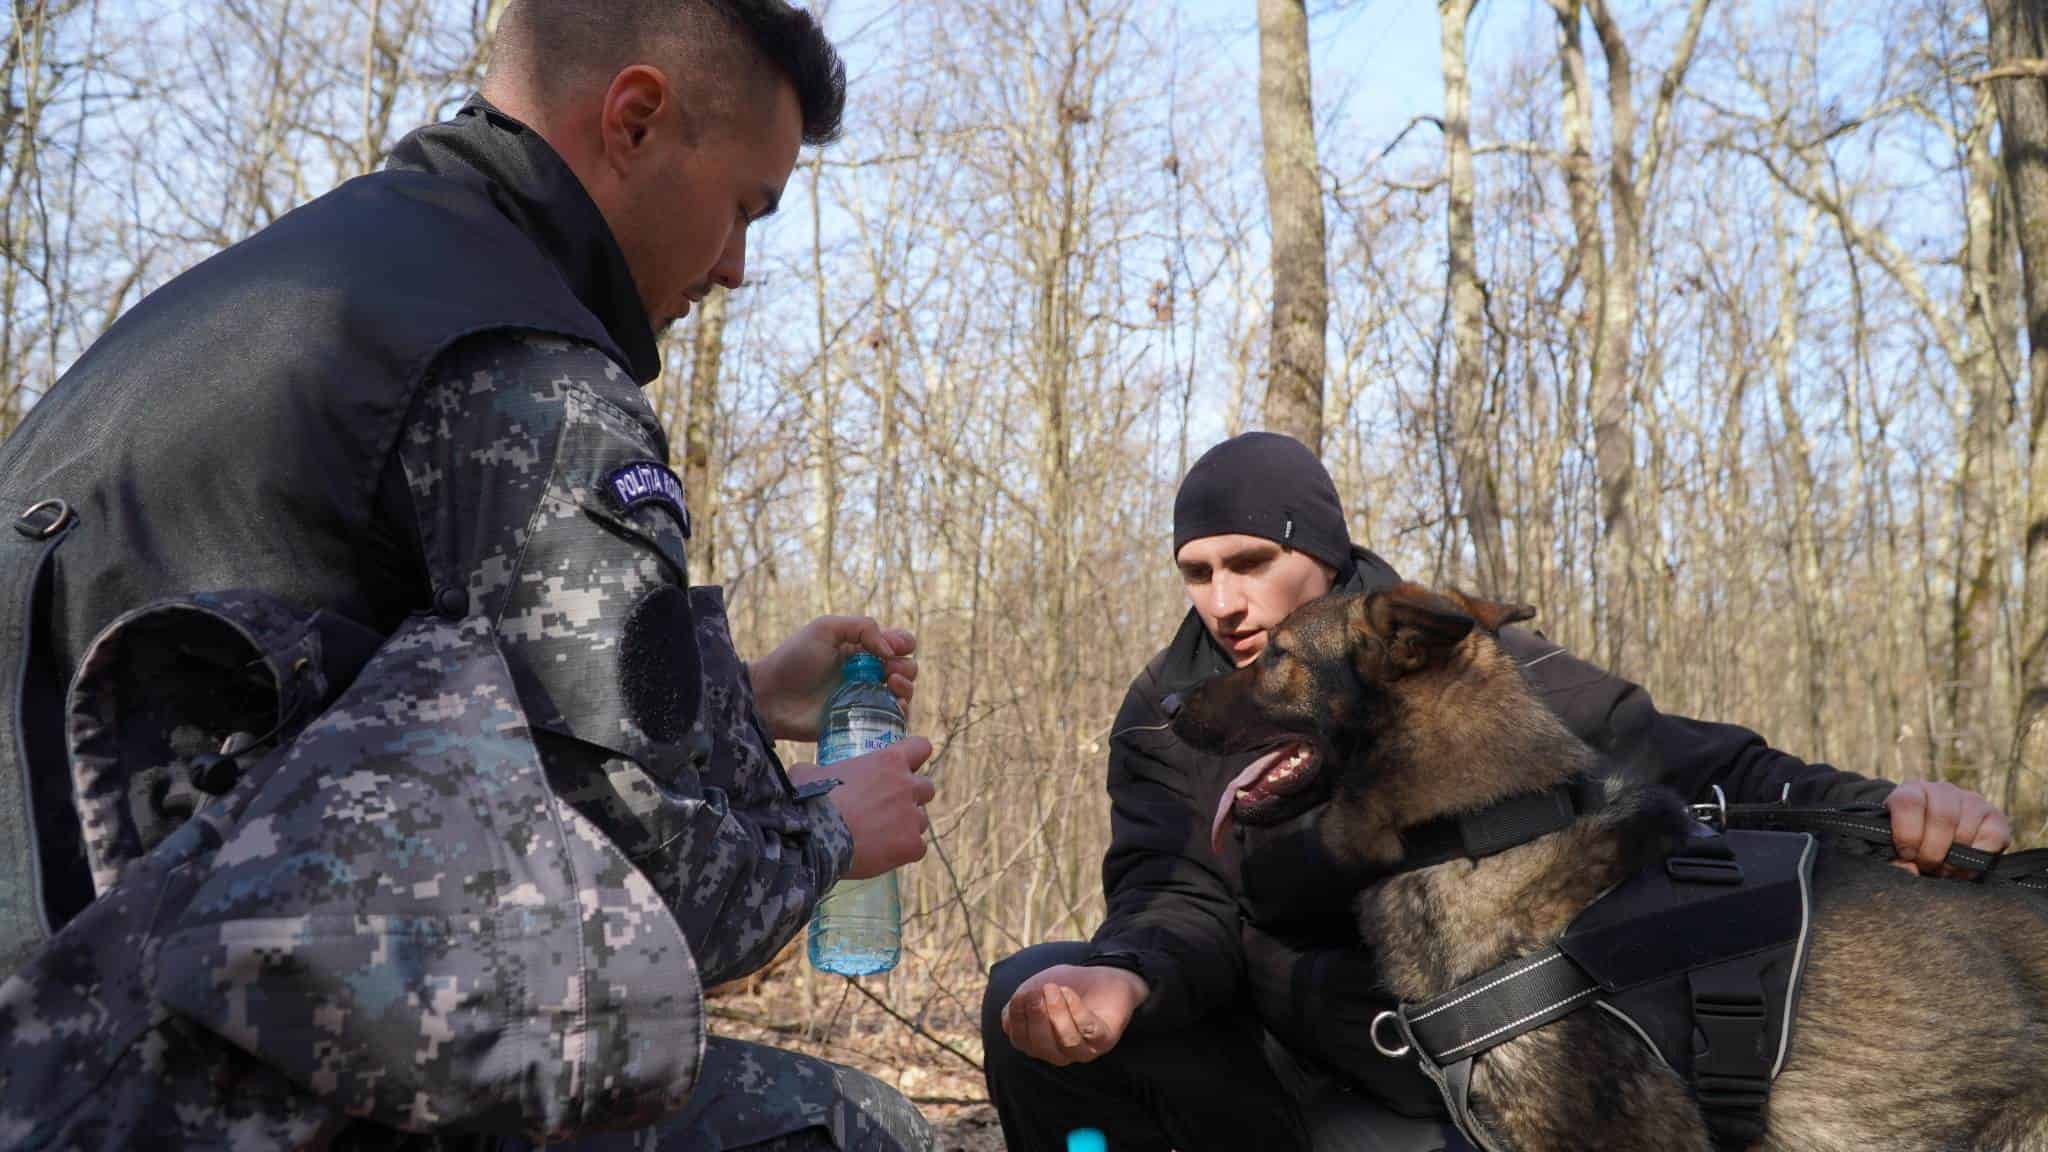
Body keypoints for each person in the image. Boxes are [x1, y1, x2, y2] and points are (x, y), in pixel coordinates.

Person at [0, 2, 933, 1149]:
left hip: (59, 1032)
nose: (737, 267)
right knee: (853, 1127)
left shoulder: (275, 298)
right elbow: (641, 905)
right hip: (144, 1080)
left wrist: (734, 690)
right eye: (744, 206)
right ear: (635, 119)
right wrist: (828, 831)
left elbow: (372, 722)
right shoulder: (529, 375)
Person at [980, 431, 2013, 1152]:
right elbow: (1175, 890)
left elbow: (1680, 757)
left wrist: (1881, 809)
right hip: (1277, 1049)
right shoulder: (1176, 707)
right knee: (1029, 985)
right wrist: (1124, 975)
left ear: (1321, 555)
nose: (1222, 603)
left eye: (1248, 562)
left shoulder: (1452, 660)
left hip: (1488, 1049)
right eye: (1195, 573)